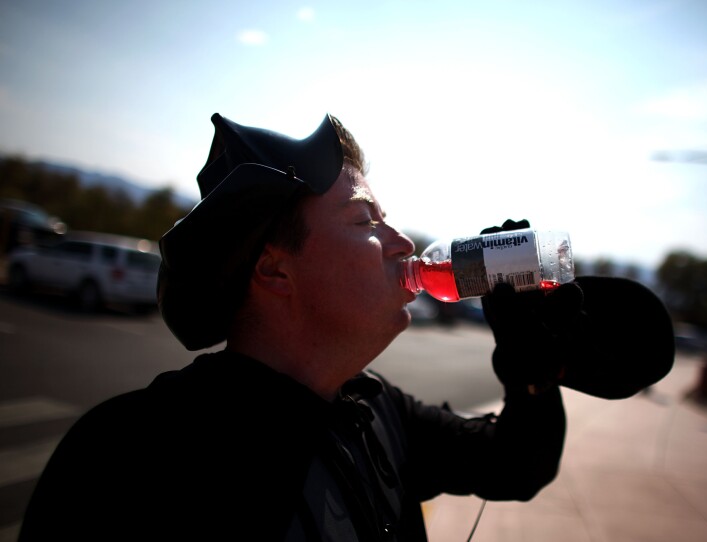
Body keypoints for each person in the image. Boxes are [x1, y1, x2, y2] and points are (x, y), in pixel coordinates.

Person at [20, 114, 673, 541]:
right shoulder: (130, 457)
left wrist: (532, 369)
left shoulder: (376, 412)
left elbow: (518, 466)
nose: (402, 242)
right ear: (275, 271)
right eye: (366, 222)